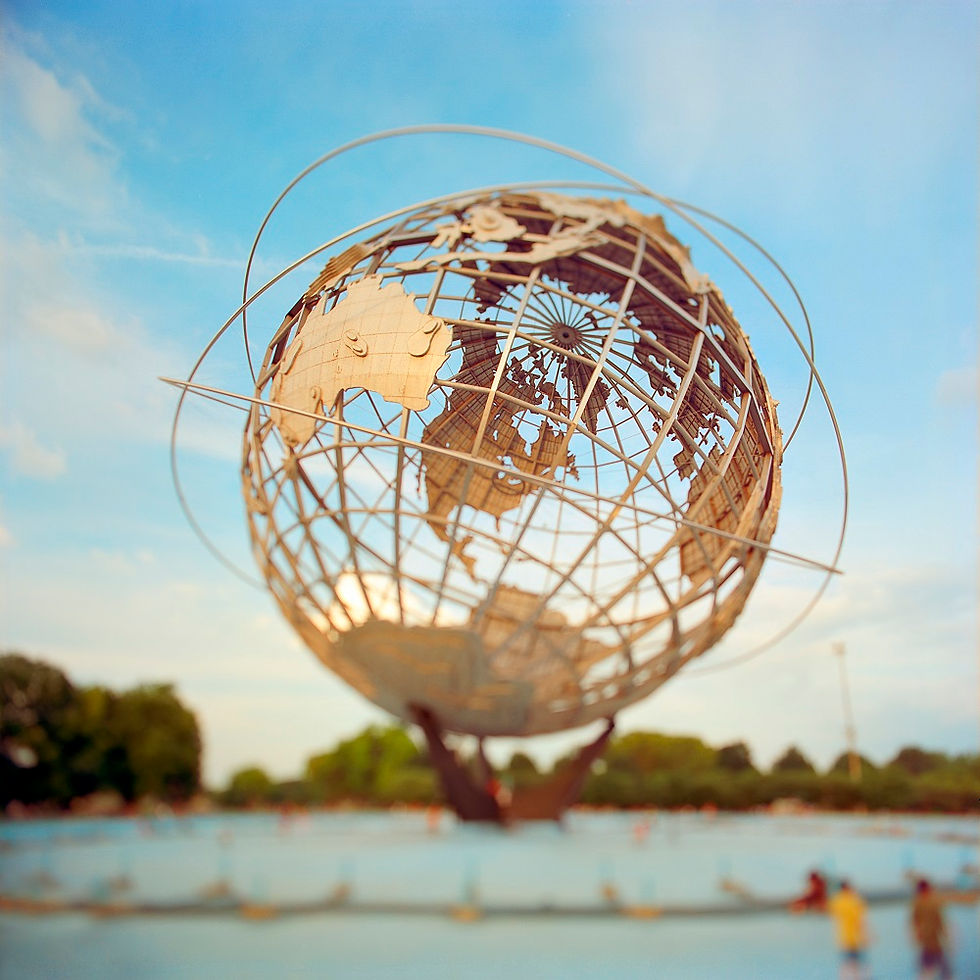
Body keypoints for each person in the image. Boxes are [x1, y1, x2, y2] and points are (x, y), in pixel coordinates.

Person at [910, 878, 952, 979]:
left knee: (928, 969)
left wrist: (916, 935)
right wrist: (946, 936)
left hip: (928, 940)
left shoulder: (918, 903)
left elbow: (915, 922)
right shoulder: (931, 902)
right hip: (933, 941)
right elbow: (940, 921)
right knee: (943, 970)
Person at [828, 879, 869, 979]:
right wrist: (865, 935)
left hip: (844, 938)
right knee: (857, 964)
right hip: (853, 937)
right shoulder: (854, 900)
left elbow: (828, 911)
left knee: (847, 964)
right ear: (847, 887)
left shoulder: (836, 901)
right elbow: (861, 920)